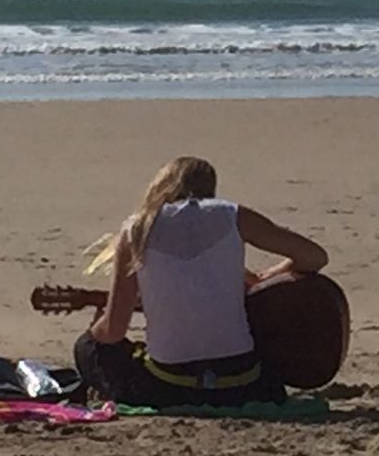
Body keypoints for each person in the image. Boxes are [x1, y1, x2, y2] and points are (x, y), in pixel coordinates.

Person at [73, 156, 329, 407]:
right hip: (245, 386)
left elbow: (115, 330)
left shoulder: (137, 229)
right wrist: (264, 282)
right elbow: (315, 257)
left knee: (88, 347)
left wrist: (95, 329)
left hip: (168, 388)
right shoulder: (233, 215)